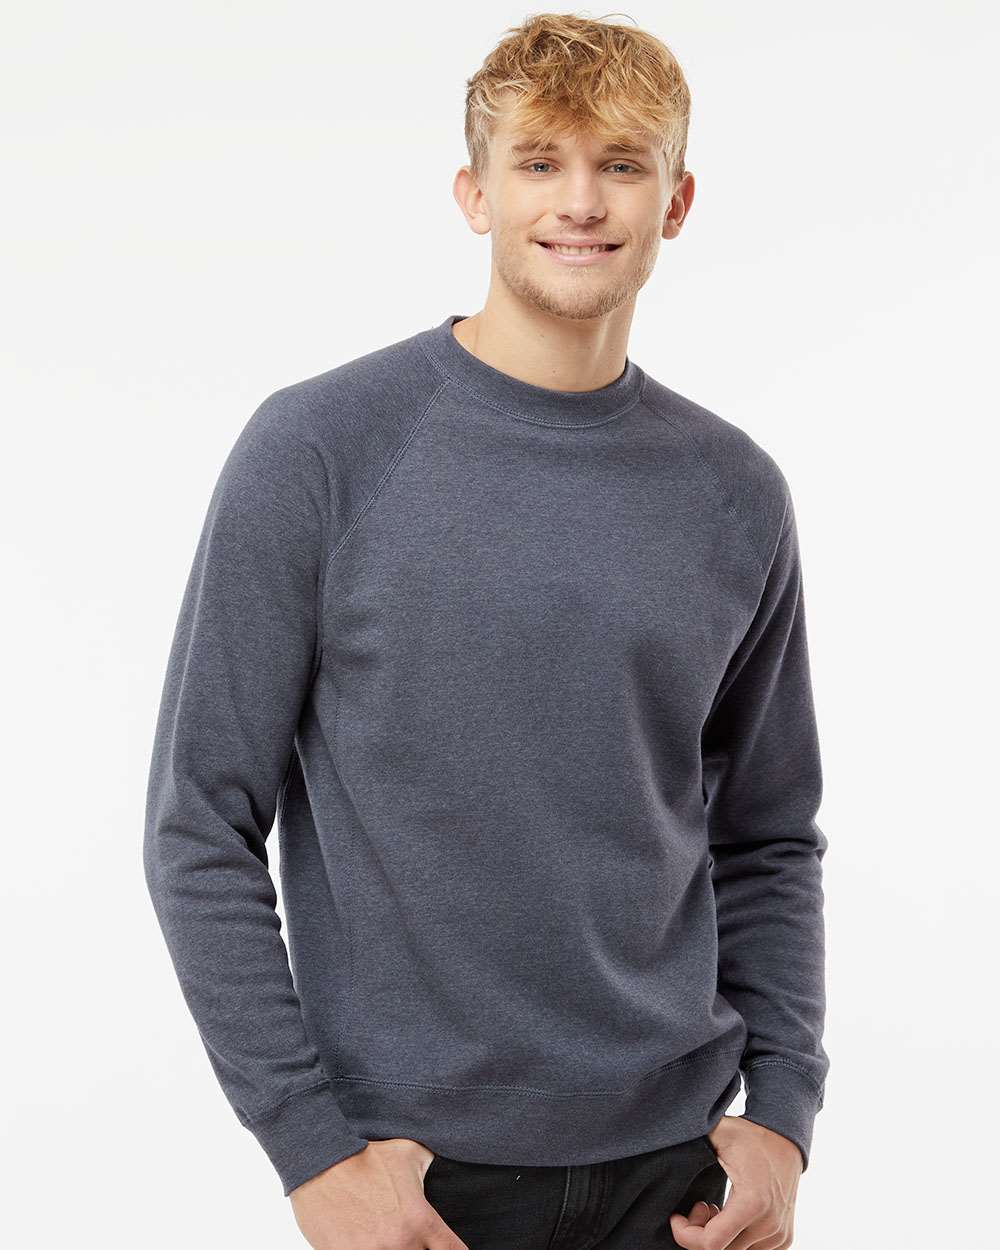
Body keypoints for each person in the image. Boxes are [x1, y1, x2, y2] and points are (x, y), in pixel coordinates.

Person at [143, 12, 829, 1249]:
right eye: (539, 161)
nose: (581, 201)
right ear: (474, 193)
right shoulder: (319, 450)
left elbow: (767, 832)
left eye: (622, 163)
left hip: (679, 1180)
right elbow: (199, 819)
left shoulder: (733, 490)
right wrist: (310, 1150)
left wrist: (781, 1115)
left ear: (676, 202)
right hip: (415, 1177)